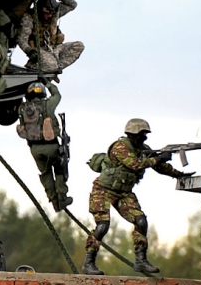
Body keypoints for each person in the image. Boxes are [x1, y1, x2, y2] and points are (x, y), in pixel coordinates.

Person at [81, 118, 194, 276]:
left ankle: (141, 261)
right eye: (142, 134)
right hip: (103, 191)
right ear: (133, 134)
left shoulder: (143, 149)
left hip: (124, 193)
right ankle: (89, 263)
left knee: (141, 221)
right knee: (102, 226)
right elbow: (135, 164)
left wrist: (179, 175)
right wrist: (158, 157)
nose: (145, 138)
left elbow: (160, 167)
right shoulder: (119, 147)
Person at [16, 80, 72, 212]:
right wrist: (48, 83)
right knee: (59, 169)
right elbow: (57, 95)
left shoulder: (22, 109)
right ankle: (62, 198)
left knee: (45, 173)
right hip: (51, 146)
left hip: (34, 149)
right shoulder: (48, 104)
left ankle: (54, 201)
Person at [17, 0, 84, 74]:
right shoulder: (29, 18)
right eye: (47, 13)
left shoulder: (54, 14)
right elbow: (21, 39)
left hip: (55, 48)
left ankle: (54, 69)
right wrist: (29, 51)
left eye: (51, 14)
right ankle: (35, 66)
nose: (49, 16)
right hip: (40, 50)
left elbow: (73, 5)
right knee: (52, 65)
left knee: (78, 46)